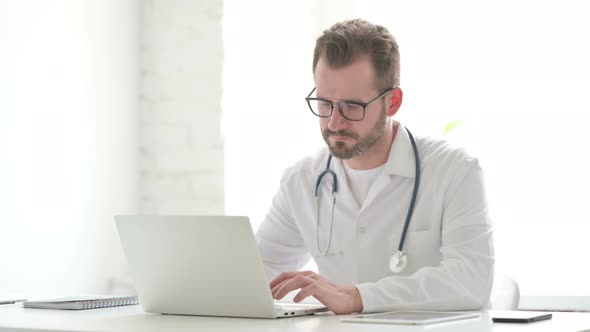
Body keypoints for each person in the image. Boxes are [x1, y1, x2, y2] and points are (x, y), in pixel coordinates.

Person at [254, 19, 494, 315]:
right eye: (325, 103)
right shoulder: (301, 181)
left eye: (352, 106)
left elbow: (472, 281)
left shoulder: (455, 170)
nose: (334, 122)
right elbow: (254, 274)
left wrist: (359, 297)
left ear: (393, 102)